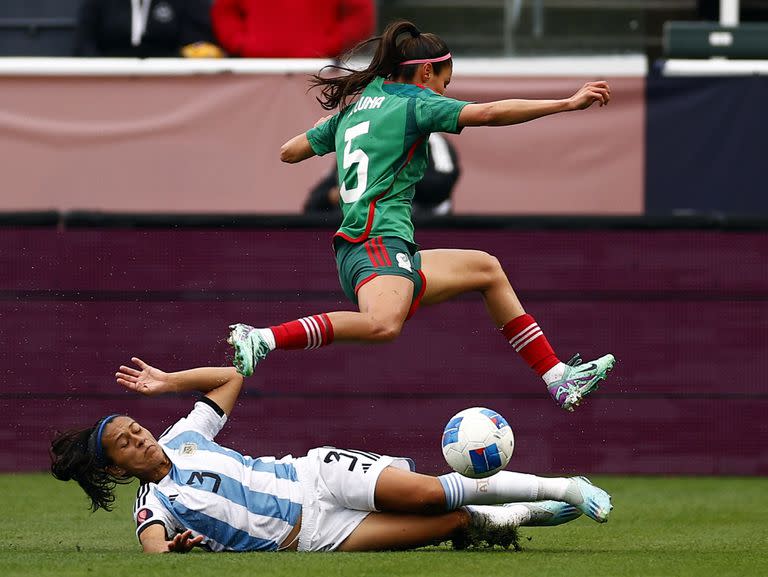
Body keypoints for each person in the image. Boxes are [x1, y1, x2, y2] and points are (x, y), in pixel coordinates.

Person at [228, 20, 616, 412]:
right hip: (376, 241)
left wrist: (329, 127)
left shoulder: (357, 108)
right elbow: (489, 113)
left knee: (486, 269)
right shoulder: (415, 102)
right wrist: (566, 104)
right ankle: (264, 338)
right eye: (445, 83)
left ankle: (557, 378)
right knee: (382, 325)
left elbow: (288, 152)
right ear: (427, 71)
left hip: (367, 247)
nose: (444, 93)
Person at [50, 358, 612, 553]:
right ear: (114, 470)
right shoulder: (154, 505)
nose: (140, 437)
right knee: (447, 523)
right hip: (315, 536)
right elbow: (152, 548)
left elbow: (229, 378)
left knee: (428, 493)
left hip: (314, 476)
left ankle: (562, 487)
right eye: (126, 443)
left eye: (134, 427)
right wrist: (173, 549)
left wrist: (170, 381)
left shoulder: (183, 437)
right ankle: (521, 514)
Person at [305, 133, 459, 216]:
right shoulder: (359, 143)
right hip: (367, 235)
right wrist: (342, 194)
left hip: (426, 229)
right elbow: (313, 204)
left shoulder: (431, 140)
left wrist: (391, 179)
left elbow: (442, 186)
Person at [210, 0, 374, 59]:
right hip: (254, 71)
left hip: (318, 72)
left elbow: (359, 15)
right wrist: (241, 43)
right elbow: (225, 11)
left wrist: (329, 45)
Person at [74, 0, 223, 58]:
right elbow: (83, 44)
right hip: (108, 82)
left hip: (169, 83)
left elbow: (194, 43)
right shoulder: (98, 4)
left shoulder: (185, 3)